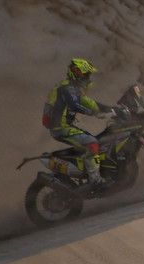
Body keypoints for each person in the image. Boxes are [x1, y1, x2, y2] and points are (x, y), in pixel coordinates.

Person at [42, 58, 119, 188]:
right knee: (92, 143)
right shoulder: (66, 88)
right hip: (60, 128)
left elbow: (90, 103)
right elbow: (75, 105)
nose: (88, 78)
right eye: (86, 74)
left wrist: (113, 109)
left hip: (65, 127)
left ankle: (92, 171)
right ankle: (95, 180)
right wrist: (95, 114)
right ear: (77, 72)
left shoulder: (71, 88)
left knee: (100, 141)